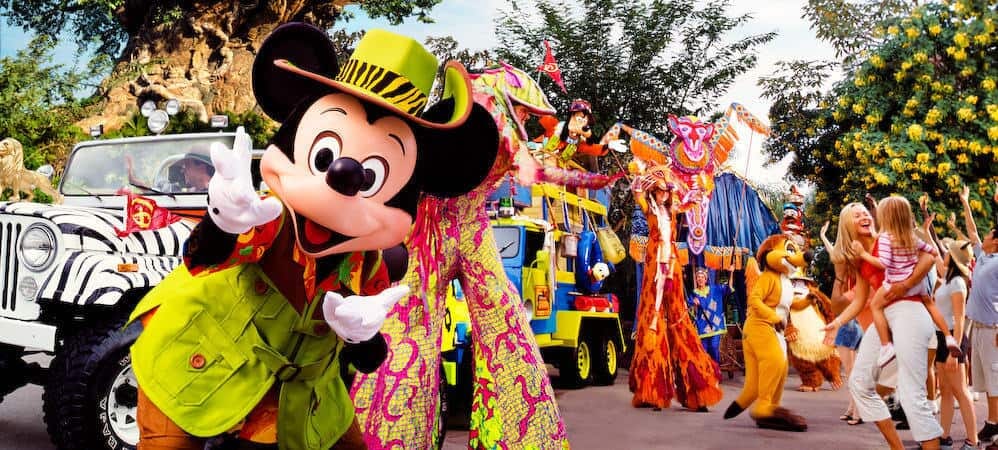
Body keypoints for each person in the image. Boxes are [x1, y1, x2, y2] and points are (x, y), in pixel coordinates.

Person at [824, 201, 942, 450]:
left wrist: (906, 284)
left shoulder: (890, 237)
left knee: (912, 396)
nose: (864, 217)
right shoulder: (857, 259)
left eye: (865, 213)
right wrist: (837, 322)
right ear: (848, 225)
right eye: (857, 216)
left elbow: (930, 257)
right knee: (859, 383)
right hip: (885, 321)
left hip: (909, 312)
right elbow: (858, 300)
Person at [849, 196, 962, 367]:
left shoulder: (887, 238)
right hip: (917, 285)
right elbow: (932, 252)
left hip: (895, 282)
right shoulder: (911, 237)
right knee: (930, 304)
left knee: (876, 307)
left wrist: (863, 255)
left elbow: (884, 263)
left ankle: (887, 346)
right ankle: (948, 336)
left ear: (885, 217)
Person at [958, 183, 998, 445]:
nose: (981, 237)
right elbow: (971, 230)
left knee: (996, 381)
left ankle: (995, 426)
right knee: (985, 381)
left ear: (995, 240)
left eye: (988, 235)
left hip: (994, 330)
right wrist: (965, 202)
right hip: (980, 329)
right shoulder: (983, 256)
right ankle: (992, 423)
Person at [932, 238, 978, 449]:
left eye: (947, 250)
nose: (944, 252)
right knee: (946, 390)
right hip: (943, 336)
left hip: (953, 338)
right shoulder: (948, 277)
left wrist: (954, 351)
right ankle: (944, 437)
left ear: (954, 256)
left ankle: (972, 441)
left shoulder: (958, 282)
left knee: (960, 391)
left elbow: (959, 319)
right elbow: (933, 250)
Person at [821, 221, 864, 425]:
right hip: (854, 320)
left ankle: (858, 411)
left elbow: (835, 254)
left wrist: (825, 238)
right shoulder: (855, 267)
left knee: (851, 372)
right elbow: (834, 252)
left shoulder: (848, 274)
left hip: (848, 320)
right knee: (853, 370)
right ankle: (852, 408)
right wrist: (823, 238)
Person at [687, 267, 730, 363]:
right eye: (698, 277)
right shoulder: (694, 293)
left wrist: (731, 273)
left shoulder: (714, 289)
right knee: (703, 351)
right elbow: (688, 304)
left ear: (706, 279)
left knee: (714, 348)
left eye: (702, 277)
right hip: (702, 327)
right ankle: (707, 374)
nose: (700, 279)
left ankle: (716, 371)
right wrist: (693, 302)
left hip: (715, 326)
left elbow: (728, 288)